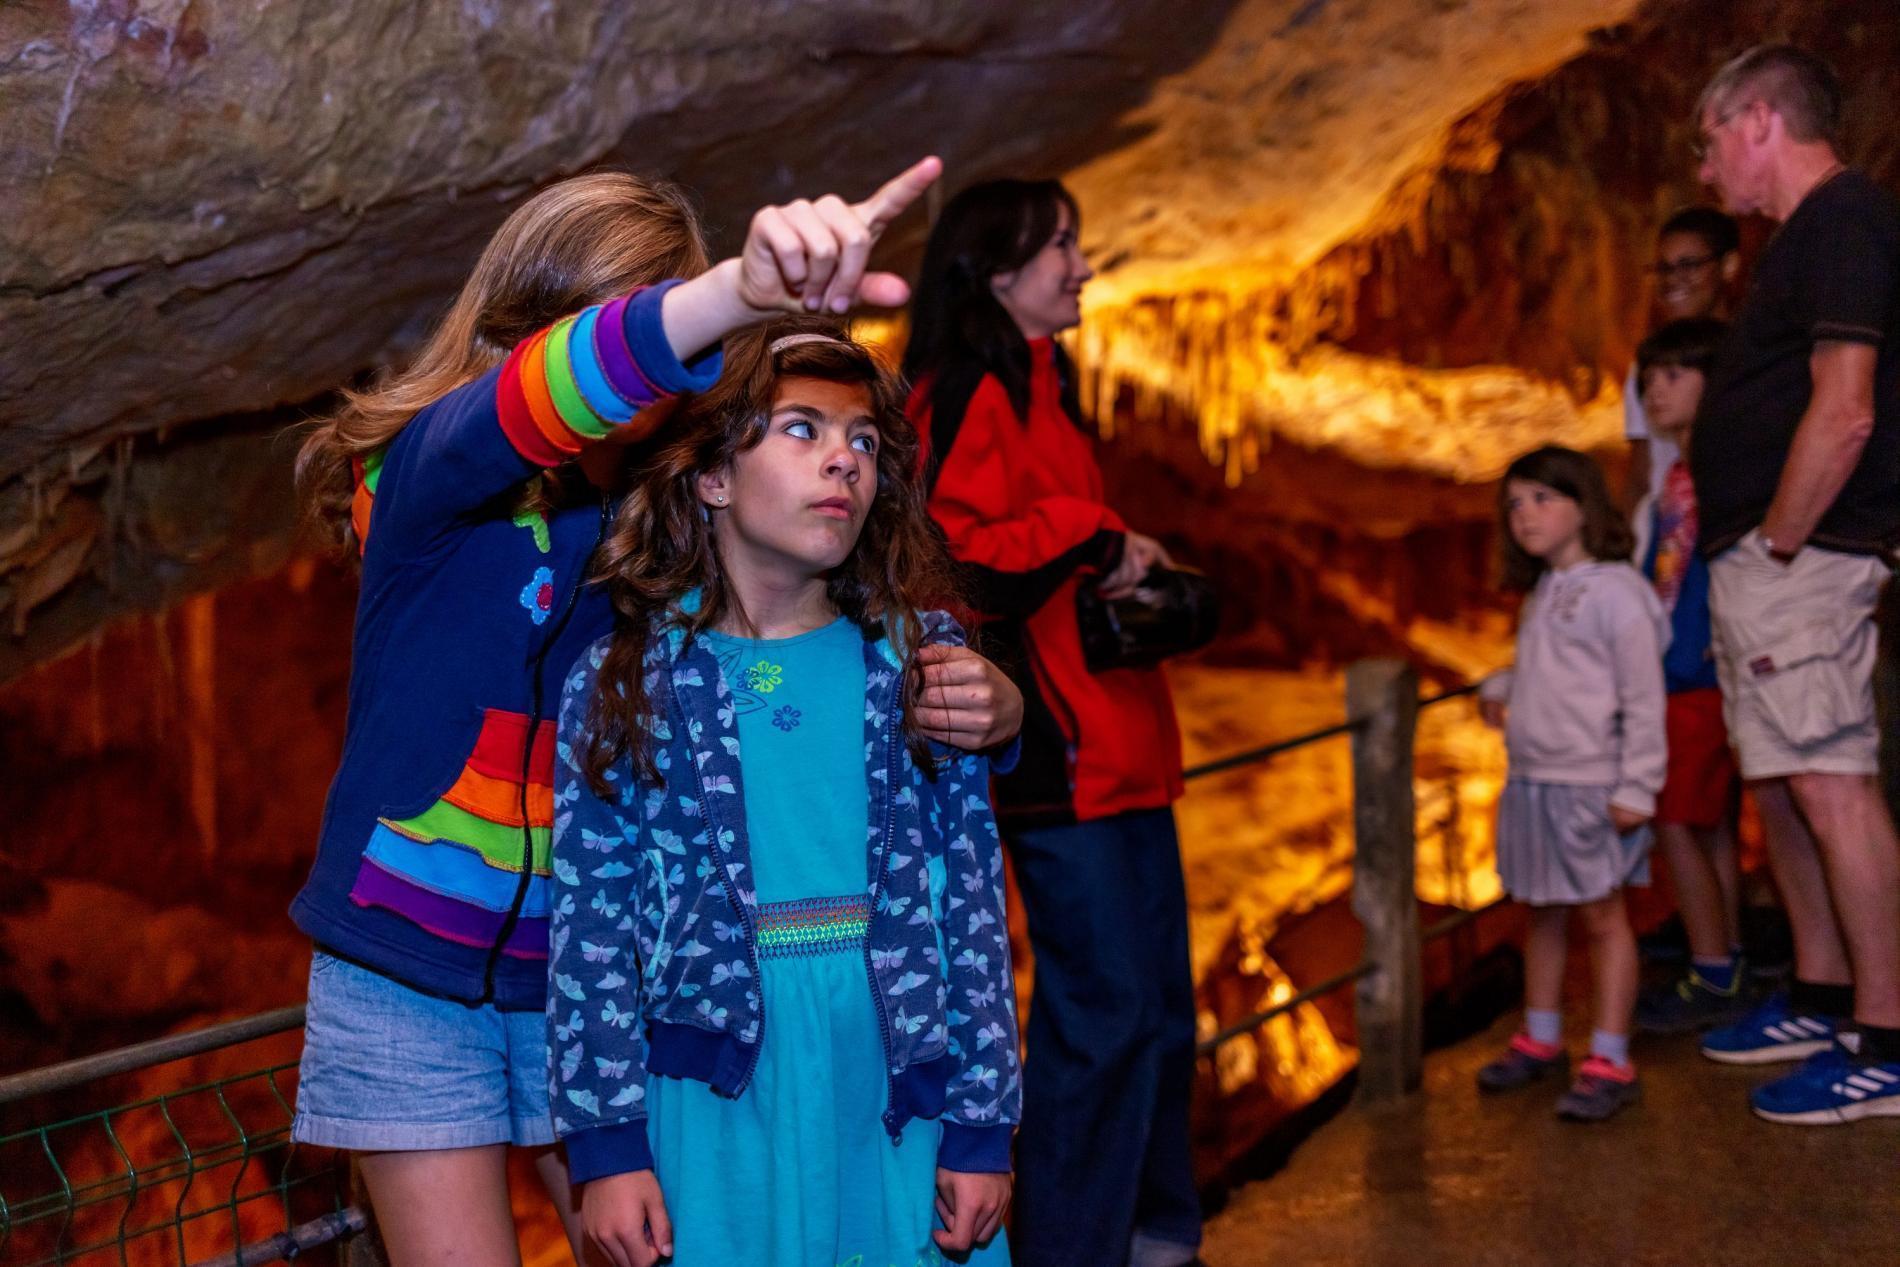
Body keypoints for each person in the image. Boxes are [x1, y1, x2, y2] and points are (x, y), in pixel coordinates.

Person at [287, 160, 1026, 1264]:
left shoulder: (655, 522)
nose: (657, 377)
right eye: (646, 338)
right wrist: (738, 290)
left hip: (601, 980)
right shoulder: (427, 476)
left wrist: (991, 707)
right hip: (407, 977)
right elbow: (538, 401)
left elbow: (818, 660)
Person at [548, 318, 1017, 1267]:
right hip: (715, 1102)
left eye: (864, 442)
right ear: (712, 476)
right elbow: (589, 928)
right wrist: (606, 1149)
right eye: (802, 428)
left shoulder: (918, 661)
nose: (843, 460)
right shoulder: (626, 680)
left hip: (895, 1087)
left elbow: (971, 903)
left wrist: (982, 1124)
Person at [903, 179, 1200, 1267]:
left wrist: (1118, 552)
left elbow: (1044, 543)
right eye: (1060, 246)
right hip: (1058, 761)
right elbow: (954, 556)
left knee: (1160, 1010)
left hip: (1123, 746)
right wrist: (1091, 527)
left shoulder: (1046, 383)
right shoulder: (966, 387)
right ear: (995, 271)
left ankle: (1158, 1235)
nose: (1081, 263)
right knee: (1101, 1018)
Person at [1686, 44, 1900, 1123]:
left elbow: (1847, 403)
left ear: (1758, 118)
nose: (1706, 167)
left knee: (1829, 781)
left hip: (1802, 557)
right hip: (1774, 559)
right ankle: (1824, 994)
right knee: (1786, 779)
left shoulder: (1844, 219)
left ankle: (1889, 1036)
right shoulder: (1803, 240)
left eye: (1710, 138)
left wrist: (1775, 542)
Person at [1475, 446, 1668, 1122]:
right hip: (1535, 779)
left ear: (1583, 505)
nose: (1525, 515)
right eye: (1516, 504)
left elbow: (1644, 695)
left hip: (1589, 782)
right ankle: (1542, 1034)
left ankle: (1610, 1054)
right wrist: (1503, 685)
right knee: (1543, 909)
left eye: (1541, 499)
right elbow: (1547, 669)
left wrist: (1637, 786)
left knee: (1604, 916)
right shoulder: (1544, 593)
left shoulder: (1618, 592)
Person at [1626, 318, 1751, 1034]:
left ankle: (1712, 971)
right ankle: (1725, 955)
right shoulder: (1677, 477)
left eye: (1674, 375)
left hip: (1693, 673)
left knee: (1676, 820)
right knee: (1702, 824)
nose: (1654, 390)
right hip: (1682, 671)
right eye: (1648, 379)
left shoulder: (1716, 471)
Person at [1624, 208, 1742, 510]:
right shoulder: (1649, 363)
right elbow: (1641, 471)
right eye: (1663, 268)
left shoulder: (1753, 354)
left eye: (1688, 265)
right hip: (1671, 534)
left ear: (1728, 266)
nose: (1673, 279)